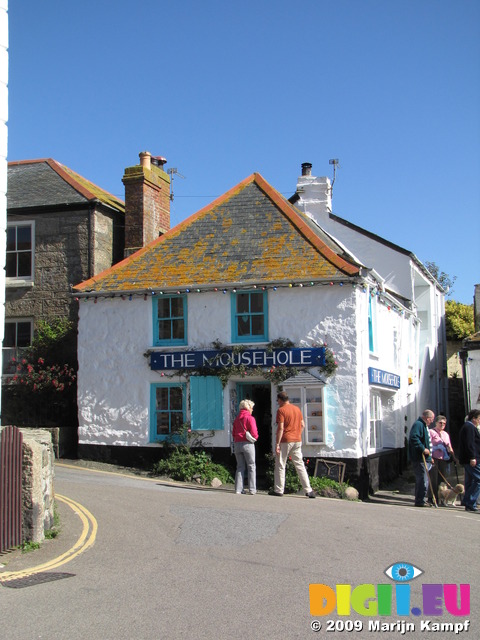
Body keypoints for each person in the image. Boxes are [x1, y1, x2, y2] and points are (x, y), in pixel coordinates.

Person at [271, 391, 316, 498]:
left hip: (286, 440)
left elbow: (281, 428)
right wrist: (297, 434)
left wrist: (277, 443)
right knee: (299, 465)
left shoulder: (281, 410)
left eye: (278, 400)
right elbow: (302, 425)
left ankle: (279, 490)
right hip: (297, 440)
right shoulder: (297, 409)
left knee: (281, 464)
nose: (278, 402)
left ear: (281, 400)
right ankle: (308, 490)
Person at [232, 399, 258, 495]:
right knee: (251, 466)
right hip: (248, 444)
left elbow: (233, 433)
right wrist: (254, 438)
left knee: (240, 467)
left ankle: (238, 489)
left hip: (237, 443)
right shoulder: (250, 418)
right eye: (252, 408)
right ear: (248, 408)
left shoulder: (237, 418)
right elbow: (254, 433)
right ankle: (252, 489)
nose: (252, 410)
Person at [408, 410, 434, 507]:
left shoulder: (424, 425)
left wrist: (430, 457)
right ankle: (420, 500)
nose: (432, 421)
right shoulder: (418, 424)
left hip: (425, 458)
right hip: (419, 458)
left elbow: (427, 442)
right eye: (431, 419)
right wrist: (423, 449)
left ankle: (421, 499)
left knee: (424, 479)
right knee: (422, 479)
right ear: (427, 418)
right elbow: (414, 438)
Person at [429, 415, 455, 504]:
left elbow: (449, 446)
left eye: (444, 423)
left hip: (443, 458)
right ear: (436, 422)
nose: (442, 424)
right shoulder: (431, 432)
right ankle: (432, 497)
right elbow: (429, 445)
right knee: (433, 478)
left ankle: (441, 498)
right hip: (434, 458)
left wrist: (453, 456)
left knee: (442, 480)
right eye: (440, 423)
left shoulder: (445, 434)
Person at [458, 409, 480, 513]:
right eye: (479, 419)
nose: (479, 421)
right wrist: (472, 457)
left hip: (469, 459)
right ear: (474, 418)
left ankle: (468, 502)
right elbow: (470, 444)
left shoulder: (468, 427)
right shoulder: (470, 427)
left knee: (471, 480)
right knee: (479, 480)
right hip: (471, 459)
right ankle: (470, 502)